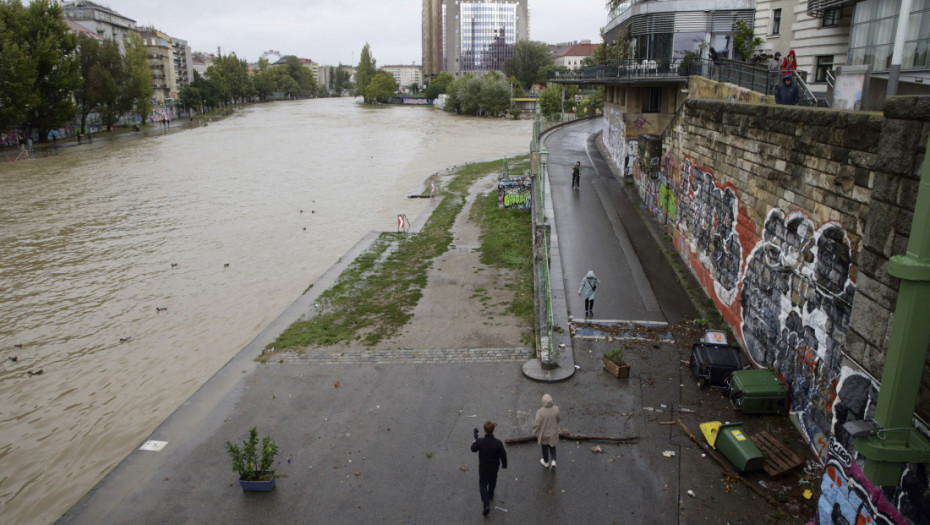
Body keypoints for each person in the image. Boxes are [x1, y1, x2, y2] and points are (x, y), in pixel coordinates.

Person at [470, 420, 507, 516]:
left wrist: (475, 441)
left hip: (483, 468)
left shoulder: (480, 441)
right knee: (493, 481)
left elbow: (473, 449)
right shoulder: (498, 443)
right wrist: (504, 464)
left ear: (484, 430)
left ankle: (486, 504)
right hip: (494, 467)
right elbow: (503, 454)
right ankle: (490, 494)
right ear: (493, 430)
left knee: (482, 484)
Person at [533, 394, 561, 469]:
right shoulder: (556, 409)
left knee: (544, 448)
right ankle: (553, 460)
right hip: (553, 433)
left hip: (544, 434)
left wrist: (534, 431)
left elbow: (537, 423)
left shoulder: (540, 411)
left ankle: (546, 462)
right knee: (552, 446)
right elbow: (558, 419)